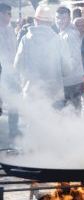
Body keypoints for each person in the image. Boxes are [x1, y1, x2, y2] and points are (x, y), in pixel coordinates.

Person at [14, 5, 71, 104]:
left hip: (31, 93)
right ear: (51, 22)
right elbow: (67, 70)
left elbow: (17, 66)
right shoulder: (59, 41)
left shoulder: (25, 40)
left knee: (32, 119)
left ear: (36, 20)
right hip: (54, 94)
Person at [55, 6, 84, 111]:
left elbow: (75, 58)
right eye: (58, 18)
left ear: (69, 19)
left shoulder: (70, 35)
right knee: (70, 113)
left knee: (72, 114)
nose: (60, 21)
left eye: (63, 18)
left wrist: (63, 72)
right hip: (70, 80)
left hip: (72, 81)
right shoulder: (62, 33)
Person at [0, 3, 20, 140]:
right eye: (8, 14)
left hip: (11, 72)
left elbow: (15, 50)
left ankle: (14, 130)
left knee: (14, 102)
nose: (10, 17)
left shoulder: (10, 30)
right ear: (1, 14)